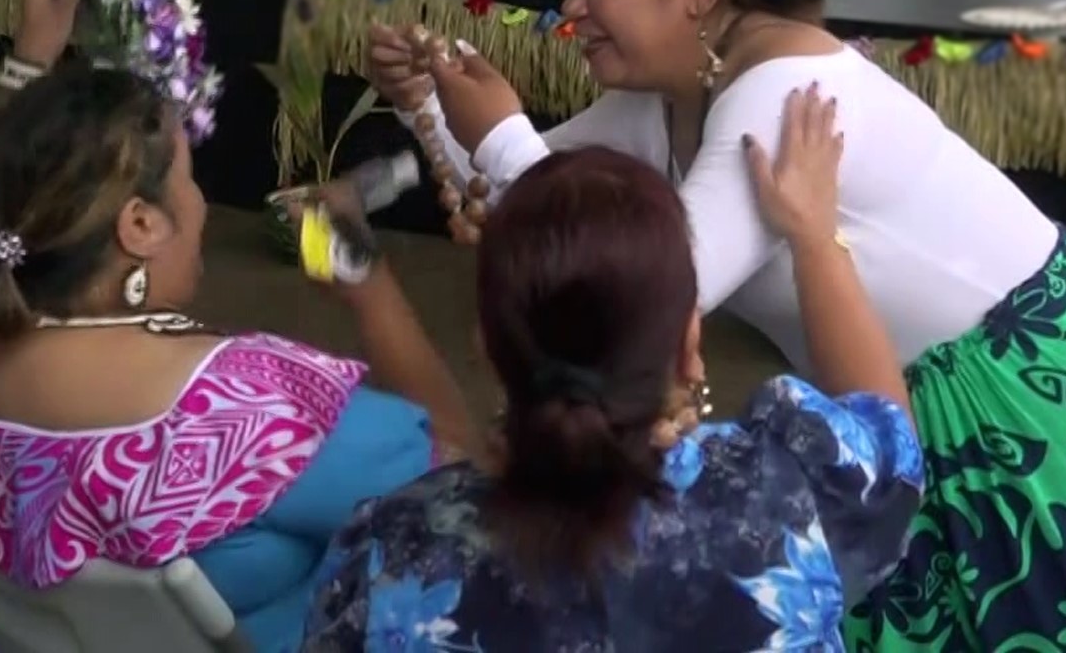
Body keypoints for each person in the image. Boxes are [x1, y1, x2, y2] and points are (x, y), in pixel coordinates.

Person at [366, 0, 1066, 651]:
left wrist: (505, 138)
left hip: (1036, 382)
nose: (572, 7)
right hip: (897, 403)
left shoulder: (780, 91)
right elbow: (545, 205)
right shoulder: (673, 95)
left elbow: (645, 297)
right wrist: (429, 111)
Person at [0, 0, 474, 651]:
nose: (199, 205)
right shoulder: (261, 412)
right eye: (191, 180)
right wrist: (368, 285)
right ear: (139, 224)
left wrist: (35, 49)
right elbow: (467, 490)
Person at [304, 92, 926, 649]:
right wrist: (815, 237)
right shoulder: (790, 492)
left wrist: (374, 295)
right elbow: (888, 430)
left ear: (487, 348)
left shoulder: (387, 555)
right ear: (689, 340)